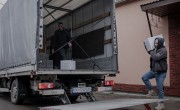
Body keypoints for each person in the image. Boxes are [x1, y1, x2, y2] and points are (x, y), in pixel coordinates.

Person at [142, 38, 168, 110]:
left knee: (159, 87)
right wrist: (145, 45)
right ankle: (151, 91)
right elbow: (149, 52)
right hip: (154, 71)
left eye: (157, 43)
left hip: (161, 72)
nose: (155, 44)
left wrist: (151, 51)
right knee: (144, 77)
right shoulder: (155, 50)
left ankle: (161, 104)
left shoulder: (163, 50)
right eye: (155, 43)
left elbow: (156, 57)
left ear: (160, 43)